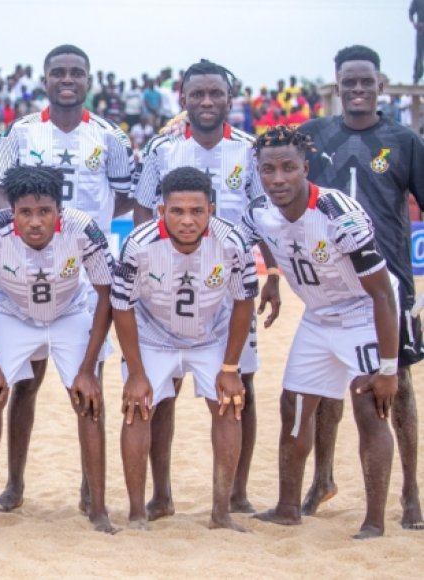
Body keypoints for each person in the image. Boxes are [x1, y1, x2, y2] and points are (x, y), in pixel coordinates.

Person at [0, 44, 134, 515]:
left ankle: (92, 492)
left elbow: (126, 199)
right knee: (23, 386)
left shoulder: (110, 137)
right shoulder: (22, 132)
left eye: (76, 73)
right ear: (45, 79)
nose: (67, 80)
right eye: (58, 73)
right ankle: (14, 483)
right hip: (24, 271)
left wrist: (77, 232)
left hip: (84, 274)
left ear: (89, 80)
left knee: (88, 385)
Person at [131, 59, 279, 518]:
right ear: (184, 98)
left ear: (230, 99)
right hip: (166, 285)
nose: (208, 101)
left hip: (230, 287)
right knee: (164, 391)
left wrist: (271, 274)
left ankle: (235, 493)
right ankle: (162, 495)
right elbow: (141, 212)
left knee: (240, 389)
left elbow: (264, 216)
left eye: (216, 93)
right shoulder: (162, 149)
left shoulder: (251, 150)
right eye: (198, 94)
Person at [243, 126, 398, 539]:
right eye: (269, 169)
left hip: (362, 312)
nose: (278, 178)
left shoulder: (338, 213)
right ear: (258, 172)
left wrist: (388, 367)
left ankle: (374, 521)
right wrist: (273, 276)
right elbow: (265, 238)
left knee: (369, 409)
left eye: (289, 168)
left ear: (305, 168)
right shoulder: (258, 209)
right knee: (292, 407)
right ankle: (288, 508)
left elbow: (383, 294)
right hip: (317, 316)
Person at [298, 45, 424, 530]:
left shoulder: (404, 140)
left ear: (380, 85)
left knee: (399, 385)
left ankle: (410, 493)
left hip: (388, 281)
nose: (356, 89)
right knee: (328, 384)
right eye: (347, 82)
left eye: (365, 82)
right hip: (329, 281)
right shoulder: (313, 136)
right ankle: (321, 479)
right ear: (337, 85)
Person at [0, 165, 115, 532]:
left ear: (58, 212)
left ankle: (97, 507)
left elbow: (106, 293)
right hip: (12, 314)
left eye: (44, 211)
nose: (35, 221)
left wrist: (88, 368)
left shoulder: (83, 229)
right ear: (11, 211)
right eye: (25, 212)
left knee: (88, 401)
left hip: (69, 313)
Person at [113, 166, 257, 532]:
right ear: (161, 212)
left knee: (229, 408)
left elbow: (243, 303)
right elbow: (122, 306)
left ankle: (221, 513)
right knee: (137, 409)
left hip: (210, 336)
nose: (188, 220)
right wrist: (137, 373)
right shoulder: (139, 244)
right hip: (153, 337)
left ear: (212, 209)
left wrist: (229, 368)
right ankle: (136, 513)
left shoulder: (233, 242)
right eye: (177, 211)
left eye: (197, 211)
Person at [412, 1, 424, 84]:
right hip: (421, 30)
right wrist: (414, 23)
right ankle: (416, 78)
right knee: (419, 56)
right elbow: (410, 12)